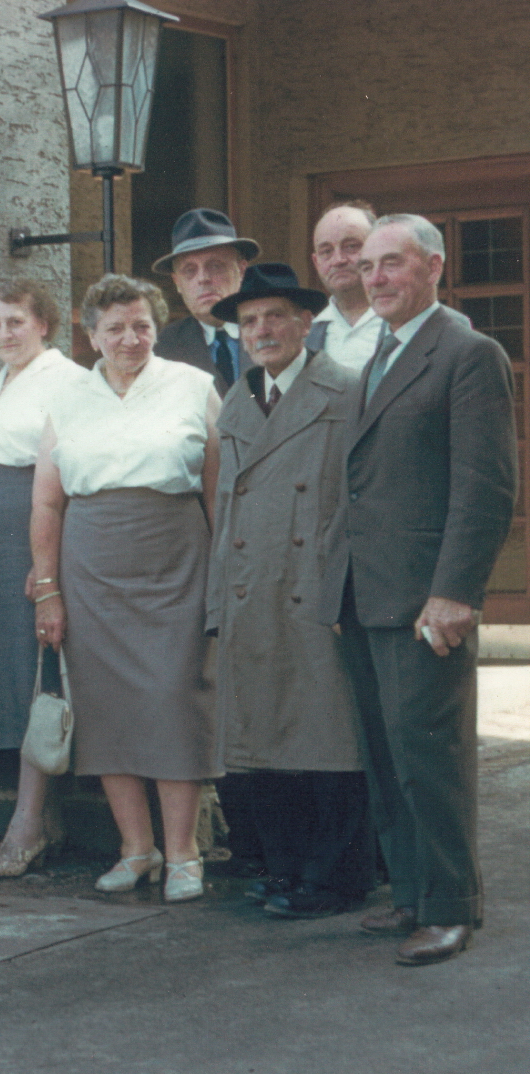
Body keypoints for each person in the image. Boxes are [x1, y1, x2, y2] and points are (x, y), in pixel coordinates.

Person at [320, 214, 517, 965]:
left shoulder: (467, 353)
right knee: (383, 751)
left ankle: (449, 906)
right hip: (364, 593)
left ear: (432, 266)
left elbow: (484, 488)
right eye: (365, 266)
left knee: (427, 751)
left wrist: (456, 592)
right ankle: (408, 893)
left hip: (423, 597)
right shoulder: (377, 352)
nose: (373, 278)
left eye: (390, 264)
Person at [31, 275, 222, 903]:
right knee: (105, 705)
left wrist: (224, 578)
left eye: (141, 325)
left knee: (174, 698)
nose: (129, 338)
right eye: (114, 327)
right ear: (90, 336)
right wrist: (49, 589)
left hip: (176, 557)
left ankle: (184, 854)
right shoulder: (67, 398)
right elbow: (47, 503)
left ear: (156, 328)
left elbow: (218, 489)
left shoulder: (194, 386)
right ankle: (135, 850)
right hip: (92, 568)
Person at [204, 263, 374, 919]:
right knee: (261, 740)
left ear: (305, 323)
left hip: (313, 587)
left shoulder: (345, 390)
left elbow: (362, 498)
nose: (262, 329)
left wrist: (345, 589)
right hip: (251, 591)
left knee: (327, 738)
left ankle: (336, 879)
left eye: (275, 316)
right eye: (249, 321)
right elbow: (226, 511)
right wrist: (218, 604)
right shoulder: (237, 399)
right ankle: (284, 869)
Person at [0, 280, 87, 877]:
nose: (5, 335)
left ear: (44, 324)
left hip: (30, 537)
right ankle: (47, 817)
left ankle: (27, 823)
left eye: (16, 322)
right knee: (10, 676)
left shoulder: (65, 381)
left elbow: (59, 477)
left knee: (40, 670)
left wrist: (45, 564)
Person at [151, 208, 259, 392]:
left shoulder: (272, 330)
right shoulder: (161, 348)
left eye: (215, 266)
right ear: (177, 282)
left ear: (241, 271)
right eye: (190, 270)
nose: (203, 278)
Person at [306, 201, 382, 371]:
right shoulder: (305, 336)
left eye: (351, 246)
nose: (338, 260)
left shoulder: (403, 324)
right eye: (326, 251)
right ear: (316, 262)